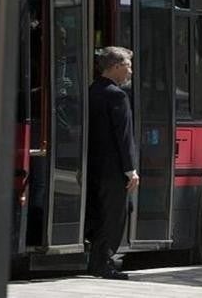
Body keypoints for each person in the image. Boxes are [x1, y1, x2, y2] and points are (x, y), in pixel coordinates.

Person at [86, 46, 140, 280]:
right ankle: (104, 262)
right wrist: (131, 170)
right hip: (113, 169)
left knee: (100, 213)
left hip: (93, 167)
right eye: (128, 66)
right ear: (116, 67)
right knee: (115, 214)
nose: (131, 71)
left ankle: (97, 261)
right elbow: (124, 136)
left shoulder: (92, 90)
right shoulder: (117, 95)